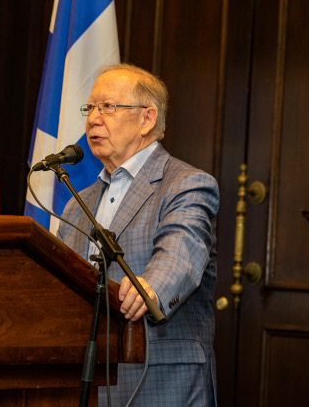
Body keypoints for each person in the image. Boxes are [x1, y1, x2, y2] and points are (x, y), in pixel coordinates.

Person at [56, 63, 219, 406]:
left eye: (109, 107)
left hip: (159, 380)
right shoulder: (77, 204)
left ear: (147, 119)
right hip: (86, 381)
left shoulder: (186, 185)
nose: (93, 119)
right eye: (90, 108)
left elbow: (182, 252)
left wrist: (152, 286)